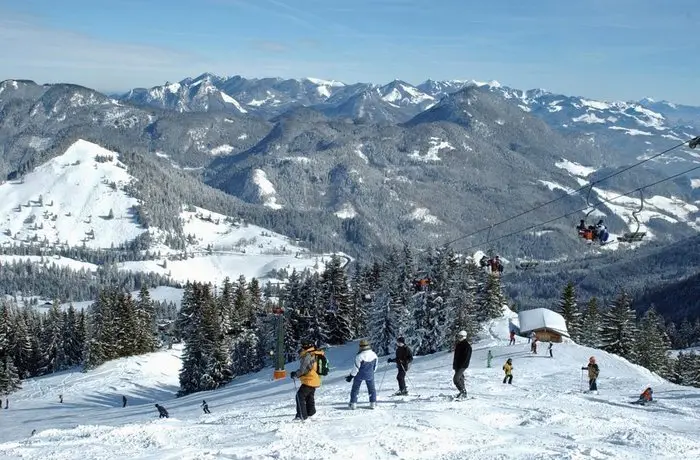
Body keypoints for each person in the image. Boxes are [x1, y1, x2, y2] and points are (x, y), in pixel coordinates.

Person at [290, 340, 324, 420]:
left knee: (300, 396)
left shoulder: (307, 355)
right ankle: (311, 413)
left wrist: (295, 373)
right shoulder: (314, 353)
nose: (301, 348)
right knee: (309, 396)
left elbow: (303, 370)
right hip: (315, 379)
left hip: (310, 379)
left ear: (305, 346)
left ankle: (301, 415)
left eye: (302, 346)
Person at [345, 339, 378, 410]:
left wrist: (351, 376)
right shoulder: (374, 354)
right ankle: (373, 403)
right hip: (370, 374)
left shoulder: (359, 356)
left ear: (360, 347)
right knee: (372, 389)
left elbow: (356, 368)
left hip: (359, 375)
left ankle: (353, 403)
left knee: (355, 389)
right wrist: (372, 372)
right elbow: (375, 366)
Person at [452, 330, 473, 399]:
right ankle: (463, 394)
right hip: (457, 365)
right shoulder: (459, 345)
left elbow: (467, 357)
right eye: (458, 336)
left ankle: (463, 391)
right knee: (461, 379)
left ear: (464, 337)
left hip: (462, 365)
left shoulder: (467, 346)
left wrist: (462, 365)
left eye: (460, 336)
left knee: (456, 379)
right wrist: (455, 365)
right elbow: (456, 356)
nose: (459, 337)